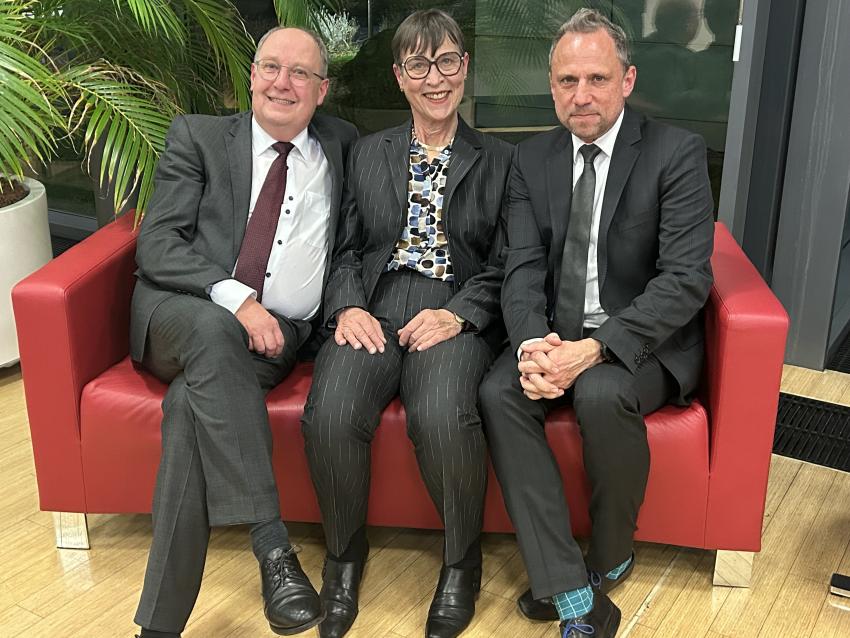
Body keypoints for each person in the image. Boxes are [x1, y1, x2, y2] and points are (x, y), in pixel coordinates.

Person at [479, 8, 714, 638]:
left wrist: (596, 350)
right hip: (555, 330)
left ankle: (609, 557)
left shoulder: (677, 153)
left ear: (628, 80)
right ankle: (572, 591)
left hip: (641, 338)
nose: (580, 96)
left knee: (604, 391)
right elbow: (521, 267)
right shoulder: (532, 159)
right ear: (551, 86)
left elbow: (686, 278)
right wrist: (532, 344)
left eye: (596, 79)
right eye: (565, 81)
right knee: (499, 389)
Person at [129, 27, 357, 638]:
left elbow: (352, 249)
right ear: (252, 76)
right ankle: (272, 546)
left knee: (188, 409)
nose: (283, 83)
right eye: (271, 68)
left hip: (275, 340)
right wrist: (239, 300)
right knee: (211, 328)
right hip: (183, 314)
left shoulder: (342, 146)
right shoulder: (199, 138)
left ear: (322, 90)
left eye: (301, 73)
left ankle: (156, 627)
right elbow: (157, 245)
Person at [300, 9, 512, 638]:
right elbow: (342, 248)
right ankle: (343, 558)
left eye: (447, 61)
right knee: (331, 412)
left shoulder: (502, 161)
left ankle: (459, 563)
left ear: (465, 68)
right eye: (419, 65)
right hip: (377, 300)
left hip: (454, 302)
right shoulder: (368, 154)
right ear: (399, 77)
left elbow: (510, 264)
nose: (435, 77)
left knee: (443, 416)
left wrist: (459, 314)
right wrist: (348, 307)